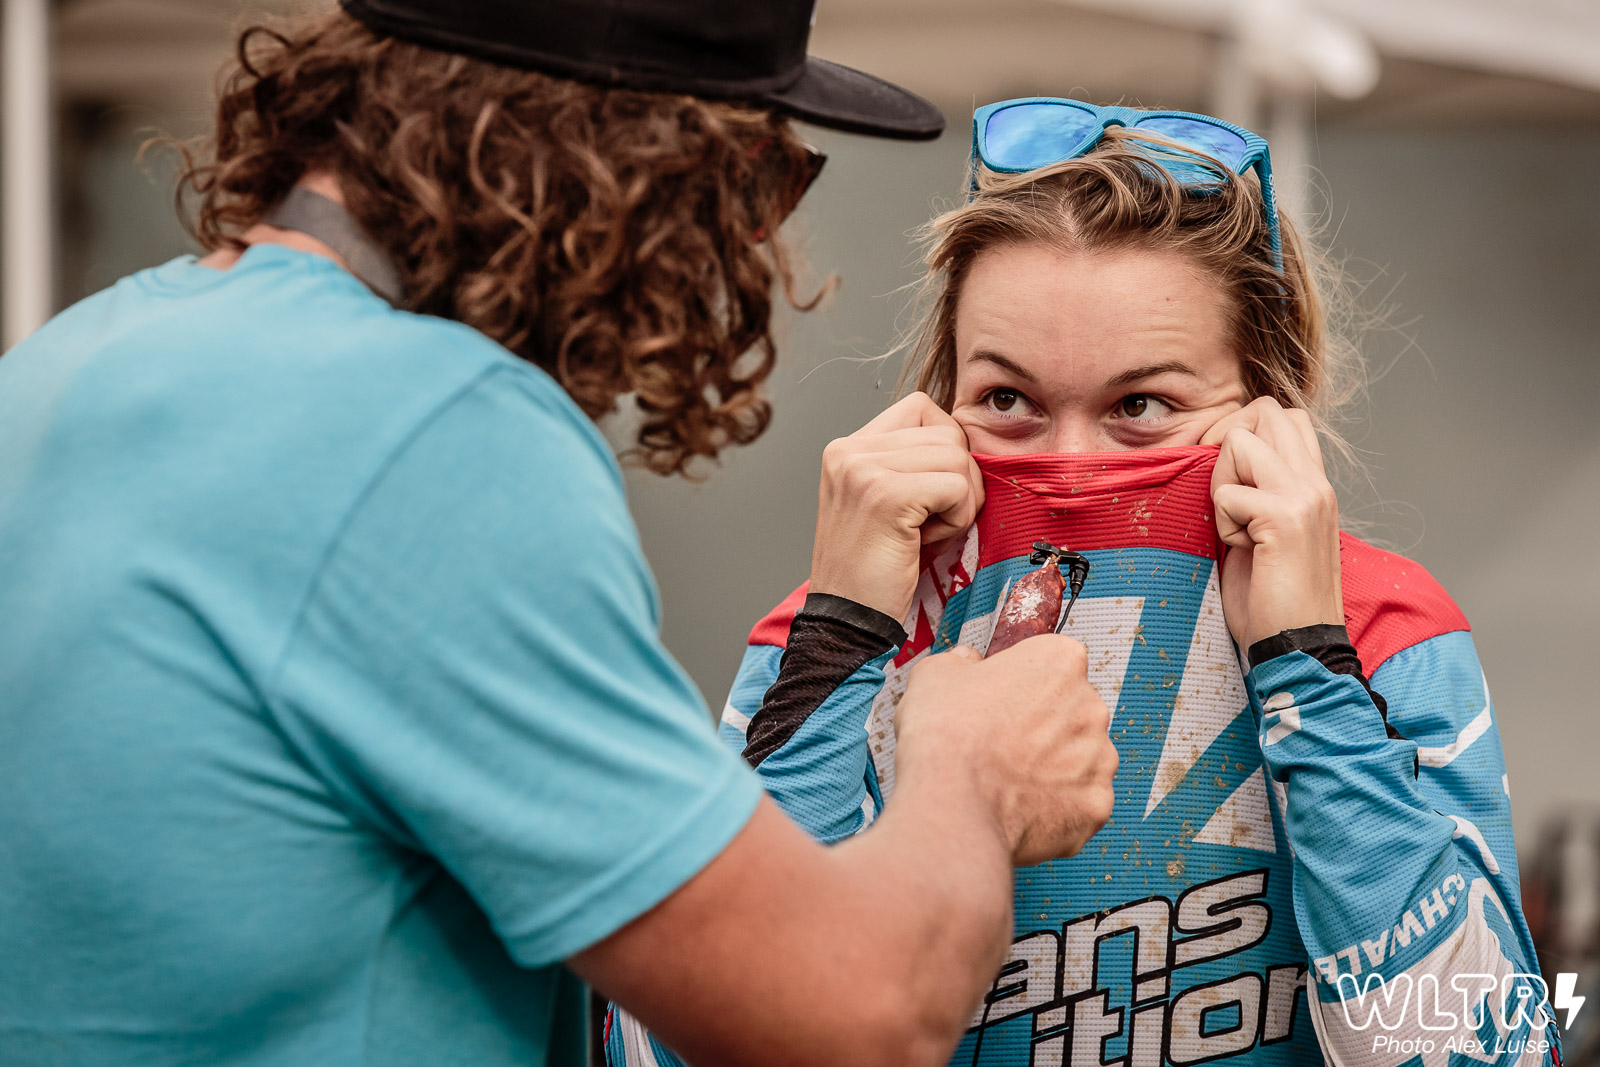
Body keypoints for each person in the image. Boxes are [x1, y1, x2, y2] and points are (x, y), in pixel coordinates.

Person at [0, 8, 1124, 1066]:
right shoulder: (431, 434)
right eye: (763, 174)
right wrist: (973, 771)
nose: (751, 244)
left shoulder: (74, 359)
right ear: (649, 161)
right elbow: (850, 1010)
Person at [611, 100, 1559, 1065]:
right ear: (939, 398)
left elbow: (1478, 1052)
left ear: (1269, 404)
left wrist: (1307, 667)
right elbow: (674, 1048)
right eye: (1009, 400)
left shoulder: (1380, 626)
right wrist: (842, 633)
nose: (1070, 463)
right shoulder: (833, 635)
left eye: (1140, 405)